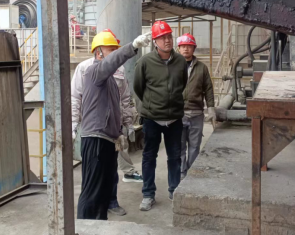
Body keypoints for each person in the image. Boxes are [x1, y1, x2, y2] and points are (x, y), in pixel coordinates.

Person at [76, 30, 152, 220]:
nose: (114, 53)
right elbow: (110, 63)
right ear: (98, 52)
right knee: (92, 191)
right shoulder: (94, 71)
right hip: (95, 138)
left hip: (109, 139)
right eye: (111, 49)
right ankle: (85, 228)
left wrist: (122, 130)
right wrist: (132, 46)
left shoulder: (110, 79)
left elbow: (117, 106)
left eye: (115, 49)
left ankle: (100, 226)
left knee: (104, 189)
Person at [134, 21, 188, 211]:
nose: (167, 40)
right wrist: (151, 105)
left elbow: (183, 83)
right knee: (149, 157)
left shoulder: (180, 61)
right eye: (162, 37)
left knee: (175, 156)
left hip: (174, 118)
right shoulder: (145, 62)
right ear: (155, 41)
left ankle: (174, 190)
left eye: (169, 36)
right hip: (152, 119)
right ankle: (148, 194)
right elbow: (138, 88)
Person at [177, 33, 216, 181]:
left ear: (194, 48)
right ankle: (181, 173)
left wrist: (211, 108)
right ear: (178, 48)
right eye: (183, 46)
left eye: (189, 46)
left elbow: (208, 89)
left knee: (194, 146)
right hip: (178, 114)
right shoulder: (173, 66)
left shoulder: (202, 68)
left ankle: (191, 174)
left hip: (196, 114)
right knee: (179, 147)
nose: (186, 49)